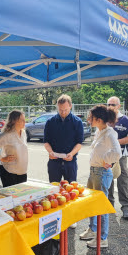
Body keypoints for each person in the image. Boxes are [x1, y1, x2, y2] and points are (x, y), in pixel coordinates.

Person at [79, 105, 122, 248]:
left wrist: (107, 160)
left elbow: (117, 152)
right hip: (94, 172)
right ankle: (93, 230)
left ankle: (102, 238)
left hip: (101, 173)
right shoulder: (100, 131)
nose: (88, 120)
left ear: (98, 119)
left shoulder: (109, 133)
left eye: (91, 117)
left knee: (101, 206)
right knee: (92, 203)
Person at [44, 94, 84, 229]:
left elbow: (79, 142)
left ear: (70, 106)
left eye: (65, 110)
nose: (63, 112)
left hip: (70, 161)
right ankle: (53, 216)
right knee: (53, 189)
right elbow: (46, 142)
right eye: (60, 110)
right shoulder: (50, 122)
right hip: (54, 162)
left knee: (71, 191)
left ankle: (71, 217)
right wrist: (50, 152)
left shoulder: (77, 122)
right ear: (57, 107)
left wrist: (72, 154)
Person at [107, 96, 128, 219]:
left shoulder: (125, 120)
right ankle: (109, 206)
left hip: (121, 157)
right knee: (108, 181)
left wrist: (117, 142)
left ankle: (126, 208)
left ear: (118, 106)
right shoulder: (105, 119)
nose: (111, 107)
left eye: (113, 105)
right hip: (107, 156)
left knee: (122, 181)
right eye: (109, 104)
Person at [0, 110, 27, 187]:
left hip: (22, 171)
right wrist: (2, 158)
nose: (25, 122)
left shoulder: (23, 133)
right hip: (9, 172)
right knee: (11, 197)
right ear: (14, 121)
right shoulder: (7, 135)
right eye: (22, 120)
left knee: (22, 197)